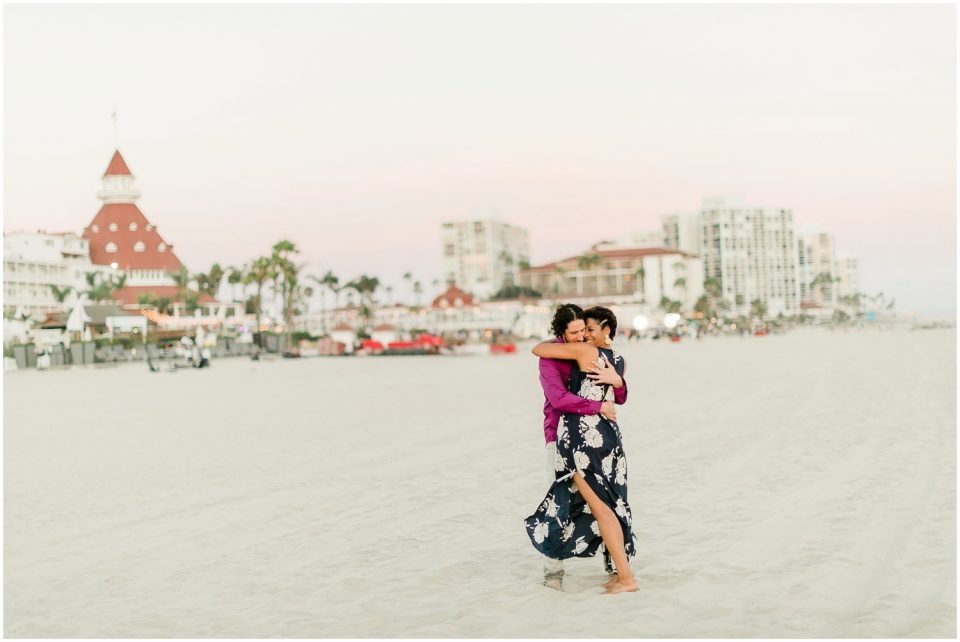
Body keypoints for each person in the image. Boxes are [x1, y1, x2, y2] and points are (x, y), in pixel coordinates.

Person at [525, 306, 638, 594]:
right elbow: (616, 395)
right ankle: (616, 572)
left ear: (605, 331)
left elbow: (537, 349)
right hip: (608, 436)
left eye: (588, 330)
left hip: (584, 440)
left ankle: (625, 577)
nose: (583, 335)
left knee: (600, 508)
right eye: (577, 331)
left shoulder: (584, 352)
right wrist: (617, 383)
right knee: (612, 504)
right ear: (562, 332)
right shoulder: (617, 359)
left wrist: (616, 386)